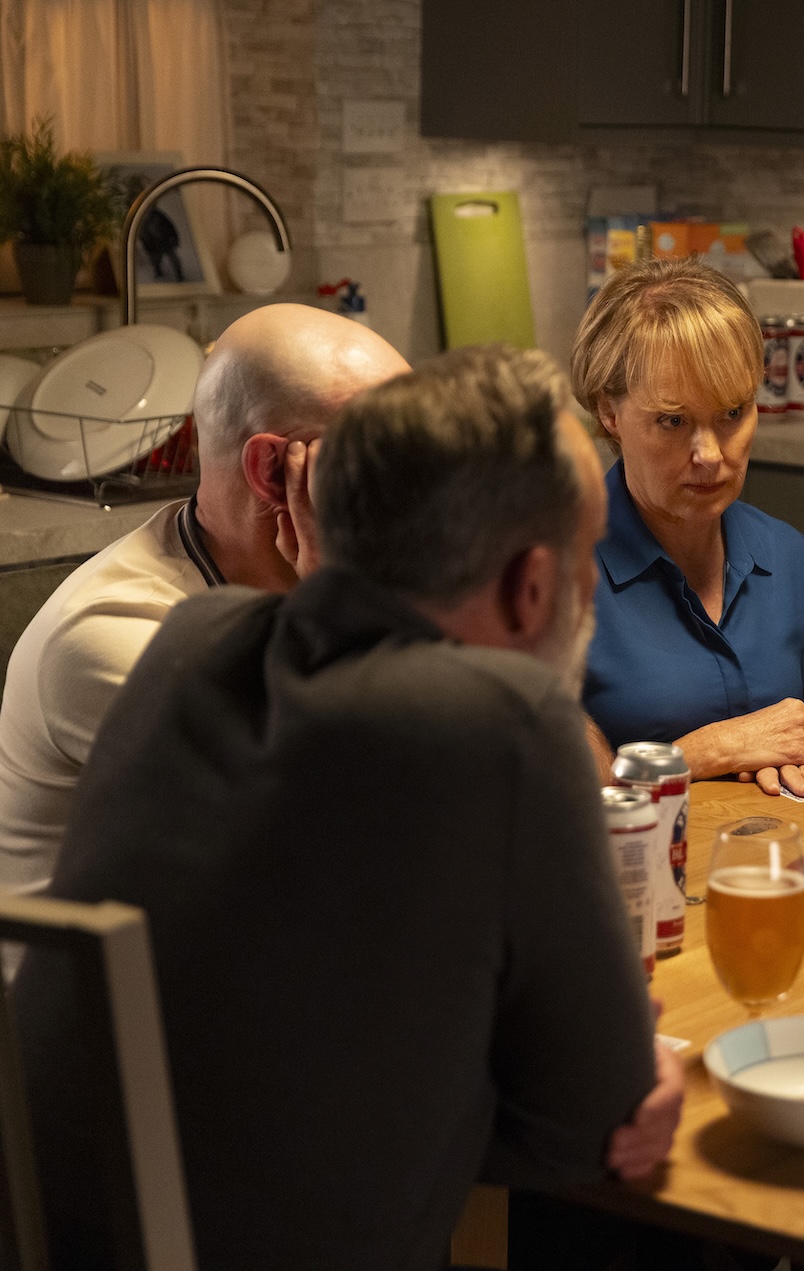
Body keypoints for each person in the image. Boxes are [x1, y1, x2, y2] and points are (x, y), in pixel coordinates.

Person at [13, 346, 682, 1269]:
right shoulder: (511, 722)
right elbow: (589, 1127)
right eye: (587, 557)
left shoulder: (189, 636)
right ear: (534, 585)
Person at [0, 304, 408, 895]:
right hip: (116, 984)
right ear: (272, 472)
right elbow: (344, 839)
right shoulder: (115, 633)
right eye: (390, 453)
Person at [571, 259, 804, 797]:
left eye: (733, 412)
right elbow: (545, 790)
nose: (711, 455)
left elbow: (803, 743)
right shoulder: (552, 570)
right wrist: (713, 751)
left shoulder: (788, 556)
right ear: (609, 413)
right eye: (673, 421)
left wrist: (797, 757)